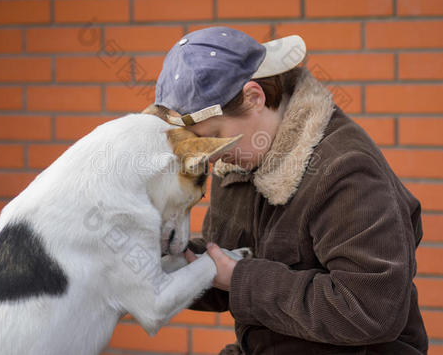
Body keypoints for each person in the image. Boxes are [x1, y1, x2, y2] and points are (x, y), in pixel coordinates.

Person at [151, 26, 428, 354]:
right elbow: (228, 273)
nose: (210, 152)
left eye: (214, 133)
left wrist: (240, 278)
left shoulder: (344, 168)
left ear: (254, 97)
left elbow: (371, 310)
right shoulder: (238, 161)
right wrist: (167, 261)